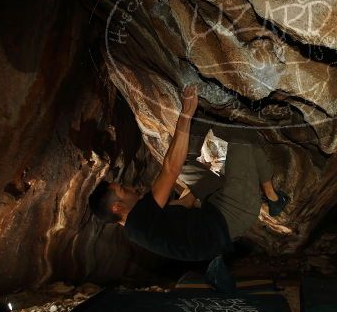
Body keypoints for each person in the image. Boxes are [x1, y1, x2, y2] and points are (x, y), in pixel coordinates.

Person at [88, 84, 289, 290]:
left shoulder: (141, 227)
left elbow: (185, 202)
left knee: (218, 144)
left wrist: (211, 167)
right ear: (117, 208)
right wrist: (186, 113)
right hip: (232, 216)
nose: (130, 188)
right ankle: (273, 198)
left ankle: (215, 264)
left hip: (213, 221)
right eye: (123, 189)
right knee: (244, 142)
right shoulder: (140, 218)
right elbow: (170, 169)